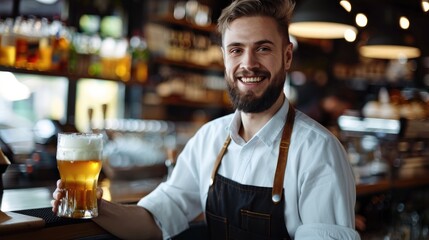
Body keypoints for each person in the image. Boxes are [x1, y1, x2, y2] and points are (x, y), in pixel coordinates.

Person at [52, 0, 360, 239]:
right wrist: (95, 206)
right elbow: (154, 220)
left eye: (263, 49)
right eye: (236, 50)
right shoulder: (209, 140)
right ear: (224, 58)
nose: (248, 64)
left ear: (287, 56)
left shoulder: (319, 153)